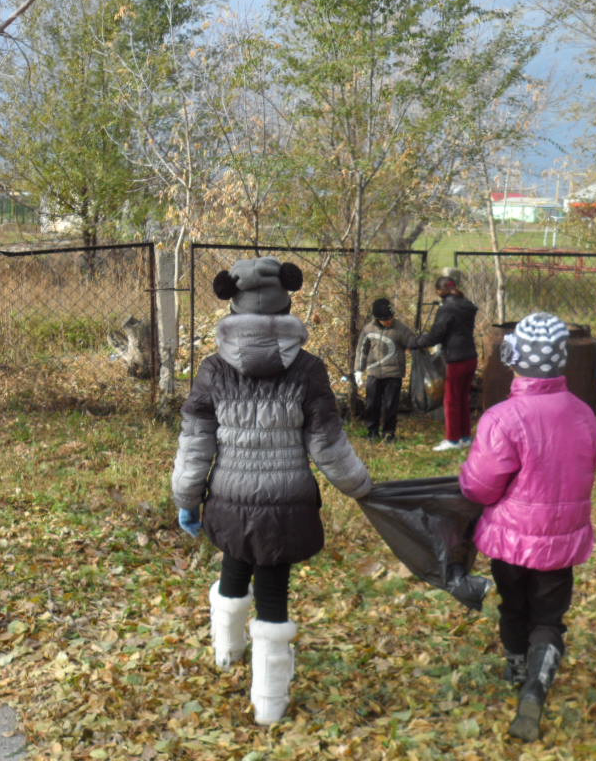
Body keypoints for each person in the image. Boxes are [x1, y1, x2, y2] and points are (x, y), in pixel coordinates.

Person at [172, 256, 372, 726]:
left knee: (235, 562)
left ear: (234, 302)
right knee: (274, 594)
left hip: (228, 498)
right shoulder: (308, 370)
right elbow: (327, 446)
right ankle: (269, 701)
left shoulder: (212, 370)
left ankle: (226, 651)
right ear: (286, 299)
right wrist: (360, 486)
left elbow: (195, 442)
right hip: (288, 503)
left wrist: (186, 498)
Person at [458, 312, 596, 742]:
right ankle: (536, 686)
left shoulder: (502, 418)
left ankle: (517, 666)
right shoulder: (583, 415)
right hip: (562, 539)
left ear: (515, 360)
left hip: (510, 540)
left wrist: (466, 481)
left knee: (514, 607)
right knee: (549, 617)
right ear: (561, 362)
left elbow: (481, 488)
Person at [413, 276, 477, 451]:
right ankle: (465, 437)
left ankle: (453, 439)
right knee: (464, 398)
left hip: (456, 358)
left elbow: (437, 335)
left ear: (440, 291)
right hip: (471, 356)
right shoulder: (467, 305)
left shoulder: (447, 309)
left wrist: (417, 342)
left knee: (451, 400)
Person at [353, 298, 419, 442]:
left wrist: (419, 342)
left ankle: (389, 433)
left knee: (390, 406)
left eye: (390, 318)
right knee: (371, 405)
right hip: (373, 373)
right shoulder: (368, 329)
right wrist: (358, 370)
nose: (389, 321)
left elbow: (412, 341)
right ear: (377, 319)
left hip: (394, 374)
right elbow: (361, 350)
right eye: (385, 319)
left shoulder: (400, 329)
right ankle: (372, 432)